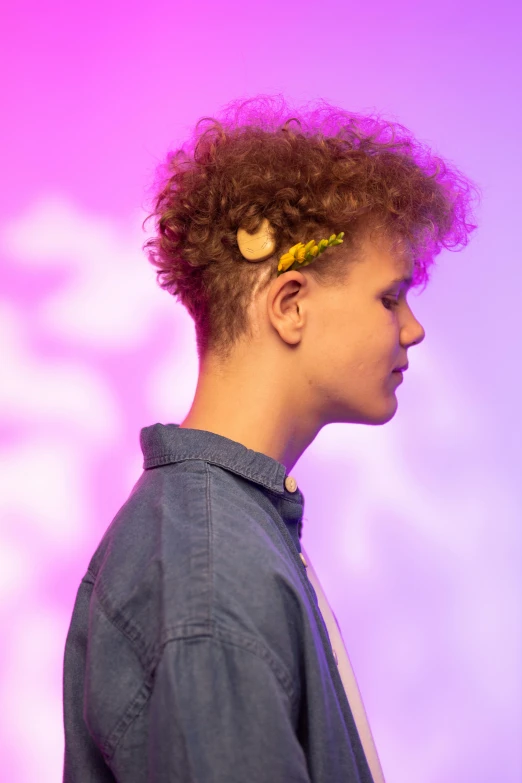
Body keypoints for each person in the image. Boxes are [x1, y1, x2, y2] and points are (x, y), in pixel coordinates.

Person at [62, 95, 478, 782]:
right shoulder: (214, 569)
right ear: (290, 306)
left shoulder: (224, 532)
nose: (413, 328)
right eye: (389, 297)